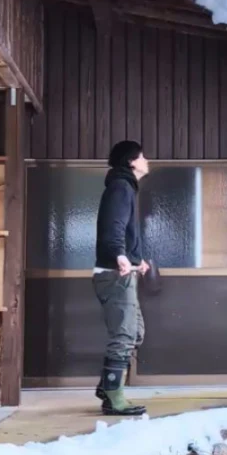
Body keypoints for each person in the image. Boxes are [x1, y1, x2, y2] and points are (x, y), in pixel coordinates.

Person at [93, 140, 150, 416]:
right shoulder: (120, 187)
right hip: (114, 275)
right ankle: (114, 399)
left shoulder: (124, 187)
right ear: (131, 161)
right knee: (124, 335)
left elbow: (124, 230)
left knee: (135, 332)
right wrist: (119, 255)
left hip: (122, 272)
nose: (146, 161)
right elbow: (113, 225)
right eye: (143, 156)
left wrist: (137, 260)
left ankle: (106, 386)